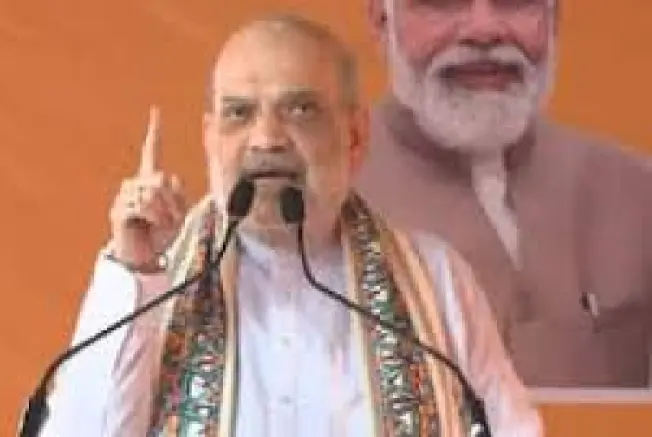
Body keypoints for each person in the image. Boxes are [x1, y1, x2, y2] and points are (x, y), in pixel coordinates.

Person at [38, 15, 542, 436]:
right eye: (239, 113)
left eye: (299, 110)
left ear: (354, 136)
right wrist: (136, 272)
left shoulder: (436, 281)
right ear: (210, 138)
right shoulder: (153, 279)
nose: (266, 139)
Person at [360, 0, 652, 388]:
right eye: (443, 4)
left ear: (553, 19)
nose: (484, 30)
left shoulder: (635, 191)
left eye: (515, 2)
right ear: (382, 22)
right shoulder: (319, 205)